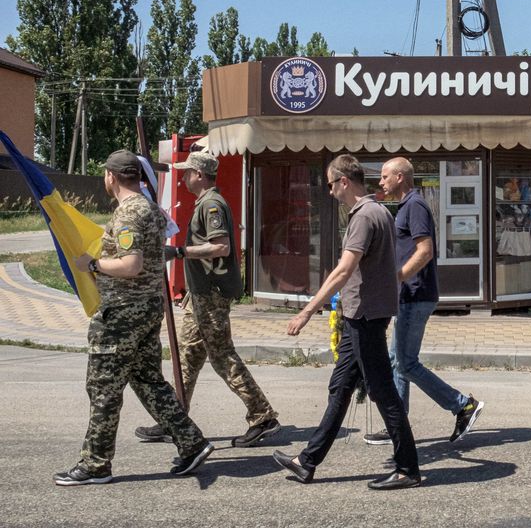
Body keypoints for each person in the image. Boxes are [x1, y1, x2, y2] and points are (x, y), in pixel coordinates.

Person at [55, 150, 213, 486]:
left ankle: (96, 464)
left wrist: (93, 265)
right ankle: (191, 442)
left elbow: (131, 265)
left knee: (103, 388)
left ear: (111, 177)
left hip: (123, 315)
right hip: (147, 309)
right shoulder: (150, 209)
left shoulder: (128, 213)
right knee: (148, 381)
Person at [272, 154, 421, 490]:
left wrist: (308, 310)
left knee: (383, 391)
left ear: (343, 181)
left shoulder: (365, 216)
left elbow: (344, 269)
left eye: (329, 184)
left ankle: (408, 468)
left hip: (365, 316)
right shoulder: (378, 211)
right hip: (362, 314)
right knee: (341, 386)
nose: (328, 192)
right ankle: (306, 462)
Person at [134, 151, 280, 448]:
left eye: (188, 173)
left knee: (222, 356)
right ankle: (173, 419)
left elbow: (221, 247)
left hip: (211, 294)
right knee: (187, 357)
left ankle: (262, 416)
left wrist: (180, 252)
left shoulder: (212, 204)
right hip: (199, 293)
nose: (185, 177)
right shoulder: (205, 202)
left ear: (199, 175)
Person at [362, 156, 484, 446]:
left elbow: (425, 250)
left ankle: (462, 405)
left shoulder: (415, 205)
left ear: (400, 177)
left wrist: (397, 278)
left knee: (406, 364)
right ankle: (398, 424)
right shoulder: (405, 206)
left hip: (416, 295)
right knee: (397, 360)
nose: (380, 182)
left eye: (384, 176)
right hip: (409, 295)